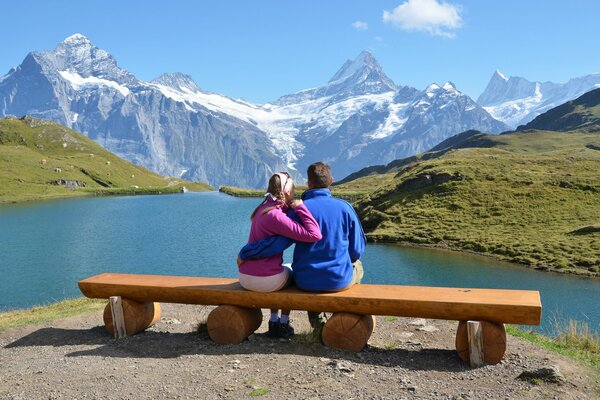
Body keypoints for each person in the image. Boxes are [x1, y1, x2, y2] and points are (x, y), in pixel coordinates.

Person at [238, 162, 366, 339]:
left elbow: (276, 244)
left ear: (309, 183)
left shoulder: (297, 210)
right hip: (338, 279)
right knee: (357, 265)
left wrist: (246, 252)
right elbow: (356, 251)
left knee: (307, 275)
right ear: (332, 181)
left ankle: (318, 323)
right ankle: (343, 316)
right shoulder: (346, 208)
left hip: (305, 280)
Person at [238, 172, 322, 339]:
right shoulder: (276, 216)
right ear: (287, 191)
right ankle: (282, 323)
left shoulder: (262, 208)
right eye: (293, 190)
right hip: (263, 281)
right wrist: (300, 207)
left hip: (245, 276)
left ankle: (273, 320)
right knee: (294, 273)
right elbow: (314, 234)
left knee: (280, 271)